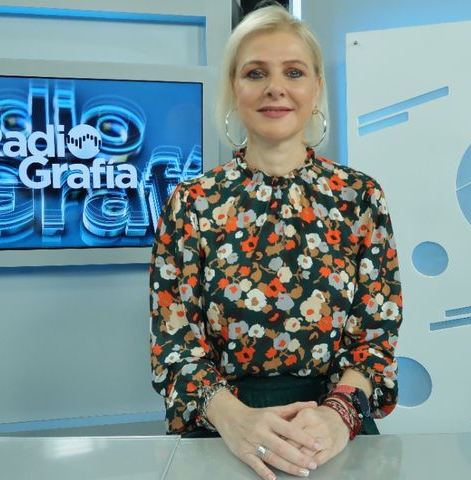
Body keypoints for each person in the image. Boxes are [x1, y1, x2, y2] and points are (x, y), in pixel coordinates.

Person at [149, 4, 402, 479]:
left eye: (293, 72)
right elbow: (174, 344)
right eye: (256, 73)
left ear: (316, 87)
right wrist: (233, 419)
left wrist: (337, 417)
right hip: (223, 431)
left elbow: (376, 337)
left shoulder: (360, 197)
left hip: (332, 432)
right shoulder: (192, 203)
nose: (275, 87)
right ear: (234, 87)